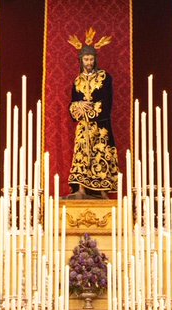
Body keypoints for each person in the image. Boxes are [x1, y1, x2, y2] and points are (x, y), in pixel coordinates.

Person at [67, 41, 118, 197]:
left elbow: (107, 101)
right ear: (81, 60)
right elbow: (72, 103)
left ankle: (103, 191)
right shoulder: (78, 81)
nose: (89, 62)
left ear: (95, 59)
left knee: (101, 155)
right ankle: (81, 189)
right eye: (86, 59)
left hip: (100, 125)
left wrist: (92, 111)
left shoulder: (104, 78)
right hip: (83, 127)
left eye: (91, 59)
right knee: (81, 156)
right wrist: (79, 106)